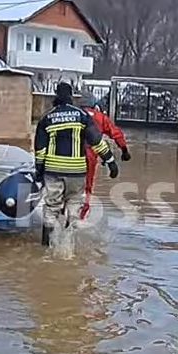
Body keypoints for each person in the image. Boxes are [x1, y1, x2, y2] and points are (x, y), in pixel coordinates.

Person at [34, 82, 118, 247]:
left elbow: (40, 149)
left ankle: (47, 247)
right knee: (74, 205)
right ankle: (68, 245)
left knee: (51, 207)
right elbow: (97, 141)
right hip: (77, 171)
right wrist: (110, 161)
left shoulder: (47, 118)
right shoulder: (82, 115)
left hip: (54, 171)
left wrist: (39, 169)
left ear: (56, 95)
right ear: (71, 96)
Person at [79, 99, 131, 219]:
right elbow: (116, 133)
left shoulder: (74, 115)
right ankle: (81, 217)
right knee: (87, 188)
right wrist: (124, 150)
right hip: (91, 156)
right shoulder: (100, 117)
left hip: (69, 156)